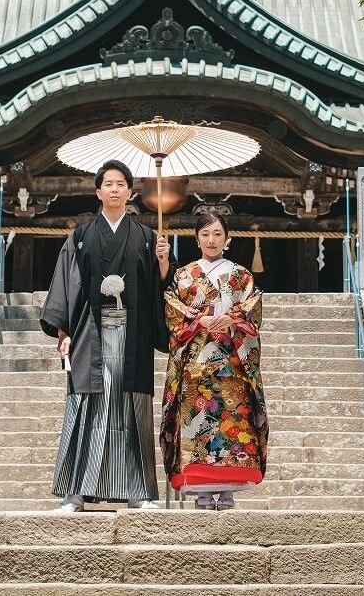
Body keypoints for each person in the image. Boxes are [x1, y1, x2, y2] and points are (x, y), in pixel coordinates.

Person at [40, 159, 173, 512]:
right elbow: (68, 287)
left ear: (130, 192)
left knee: (131, 410)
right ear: (98, 192)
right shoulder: (80, 237)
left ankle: (138, 491)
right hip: (90, 335)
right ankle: (75, 493)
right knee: (86, 408)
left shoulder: (146, 239)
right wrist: (64, 331)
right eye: (108, 184)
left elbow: (156, 291)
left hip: (132, 336)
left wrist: (162, 265)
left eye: (121, 184)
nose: (114, 189)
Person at [160, 214, 267, 510]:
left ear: (228, 240)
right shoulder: (183, 276)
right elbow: (172, 308)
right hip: (196, 365)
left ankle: (230, 487)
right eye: (205, 234)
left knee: (232, 423)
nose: (211, 239)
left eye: (218, 234)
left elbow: (252, 308)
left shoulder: (241, 275)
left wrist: (231, 318)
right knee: (198, 425)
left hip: (231, 363)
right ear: (197, 239)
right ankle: (201, 489)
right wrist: (199, 319)